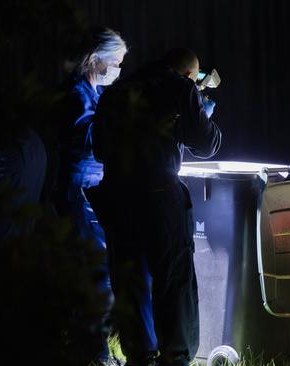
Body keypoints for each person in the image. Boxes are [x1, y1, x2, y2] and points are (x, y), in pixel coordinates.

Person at [89, 48, 221, 366]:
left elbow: (100, 151)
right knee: (174, 279)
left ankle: (140, 355)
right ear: (189, 75)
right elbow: (206, 145)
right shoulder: (180, 88)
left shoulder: (116, 92)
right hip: (160, 195)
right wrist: (201, 113)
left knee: (130, 278)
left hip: (118, 197)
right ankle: (176, 357)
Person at [54, 27, 140, 366]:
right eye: (115, 62)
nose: (118, 69)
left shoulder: (94, 93)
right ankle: (95, 353)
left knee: (98, 271)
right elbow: (88, 139)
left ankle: (88, 347)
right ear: (97, 59)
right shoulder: (77, 94)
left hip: (92, 189)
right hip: (80, 191)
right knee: (96, 272)